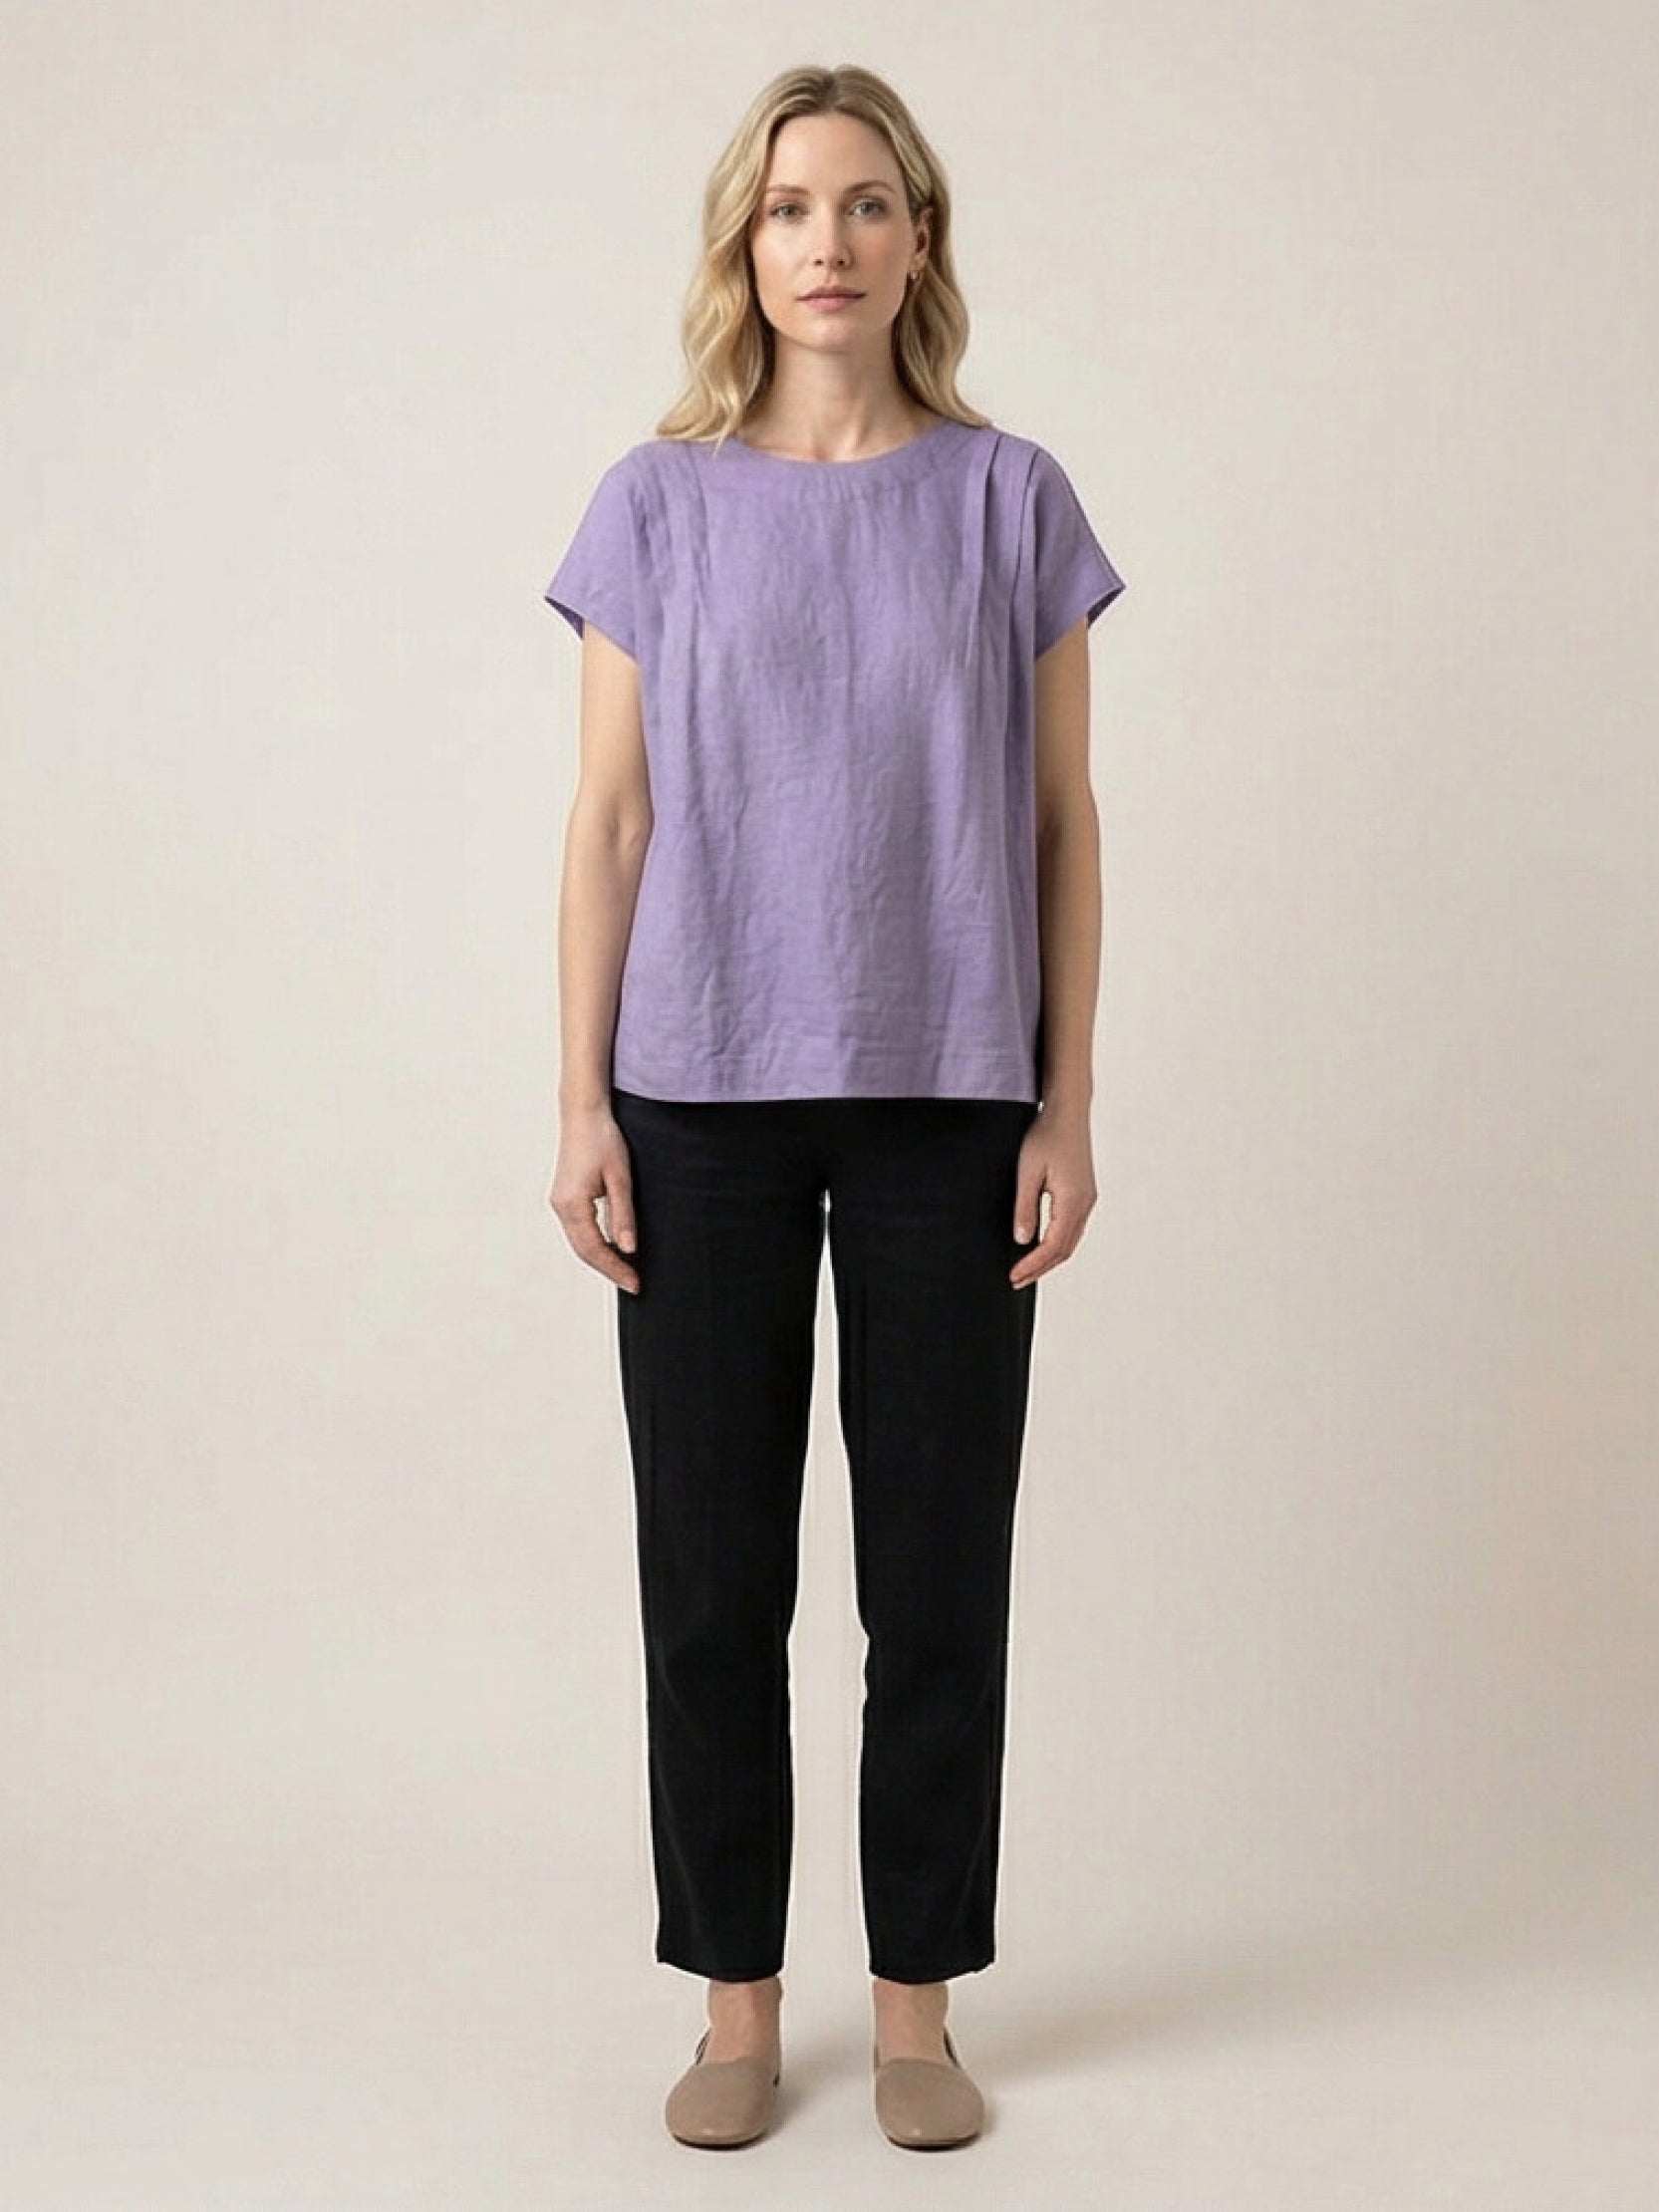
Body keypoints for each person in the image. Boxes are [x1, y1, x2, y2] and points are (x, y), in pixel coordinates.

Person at [541, 62, 1127, 2150]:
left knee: (935, 1582)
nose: (827, 241)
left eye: (866, 203)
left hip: (949, 1098)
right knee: (711, 1584)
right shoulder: (655, 504)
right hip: (693, 1099)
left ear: (916, 240)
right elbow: (609, 821)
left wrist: (1065, 1101)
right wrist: (579, 1103)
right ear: (744, 243)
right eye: (789, 206)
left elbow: (1058, 820)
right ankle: (733, 2007)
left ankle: (913, 2011)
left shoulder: (1007, 501)